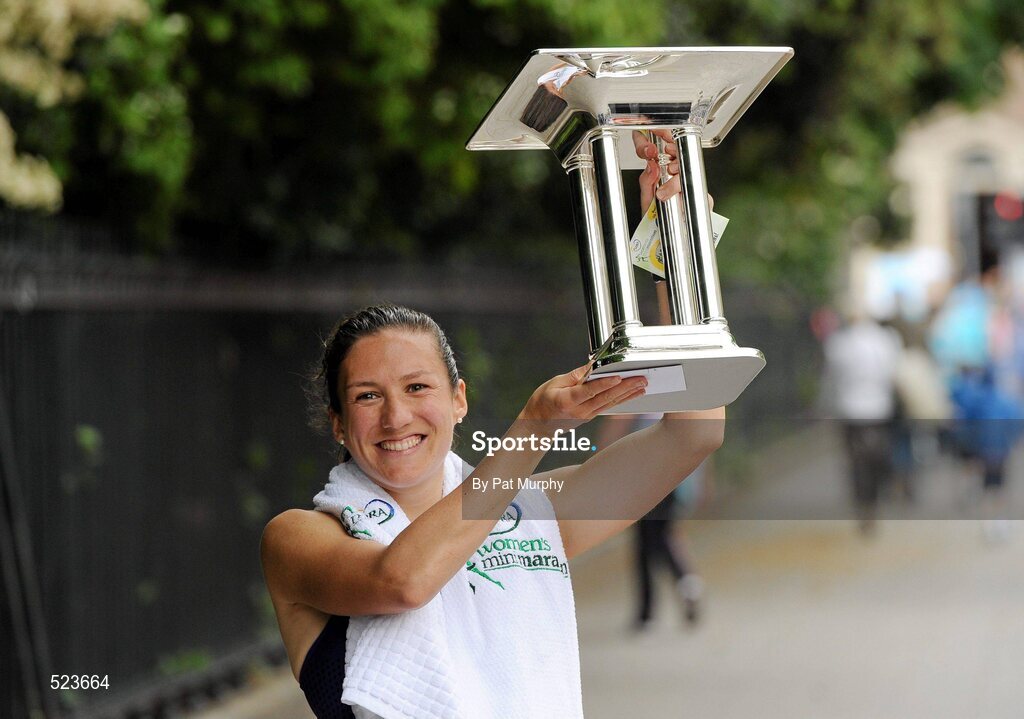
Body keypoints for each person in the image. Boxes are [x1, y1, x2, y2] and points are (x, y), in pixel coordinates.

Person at [260, 133, 726, 719]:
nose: (396, 416)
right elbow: (403, 581)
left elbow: (694, 433)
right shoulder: (299, 536)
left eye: (418, 388)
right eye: (367, 396)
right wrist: (535, 424)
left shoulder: (531, 512)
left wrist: (678, 243)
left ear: (459, 400)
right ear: (336, 422)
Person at [822, 309, 902, 534]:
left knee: (857, 462)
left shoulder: (840, 344)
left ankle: (864, 506)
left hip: (852, 411)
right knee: (876, 457)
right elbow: (892, 373)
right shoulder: (885, 341)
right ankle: (872, 502)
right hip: (878, 409)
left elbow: (832, 378)